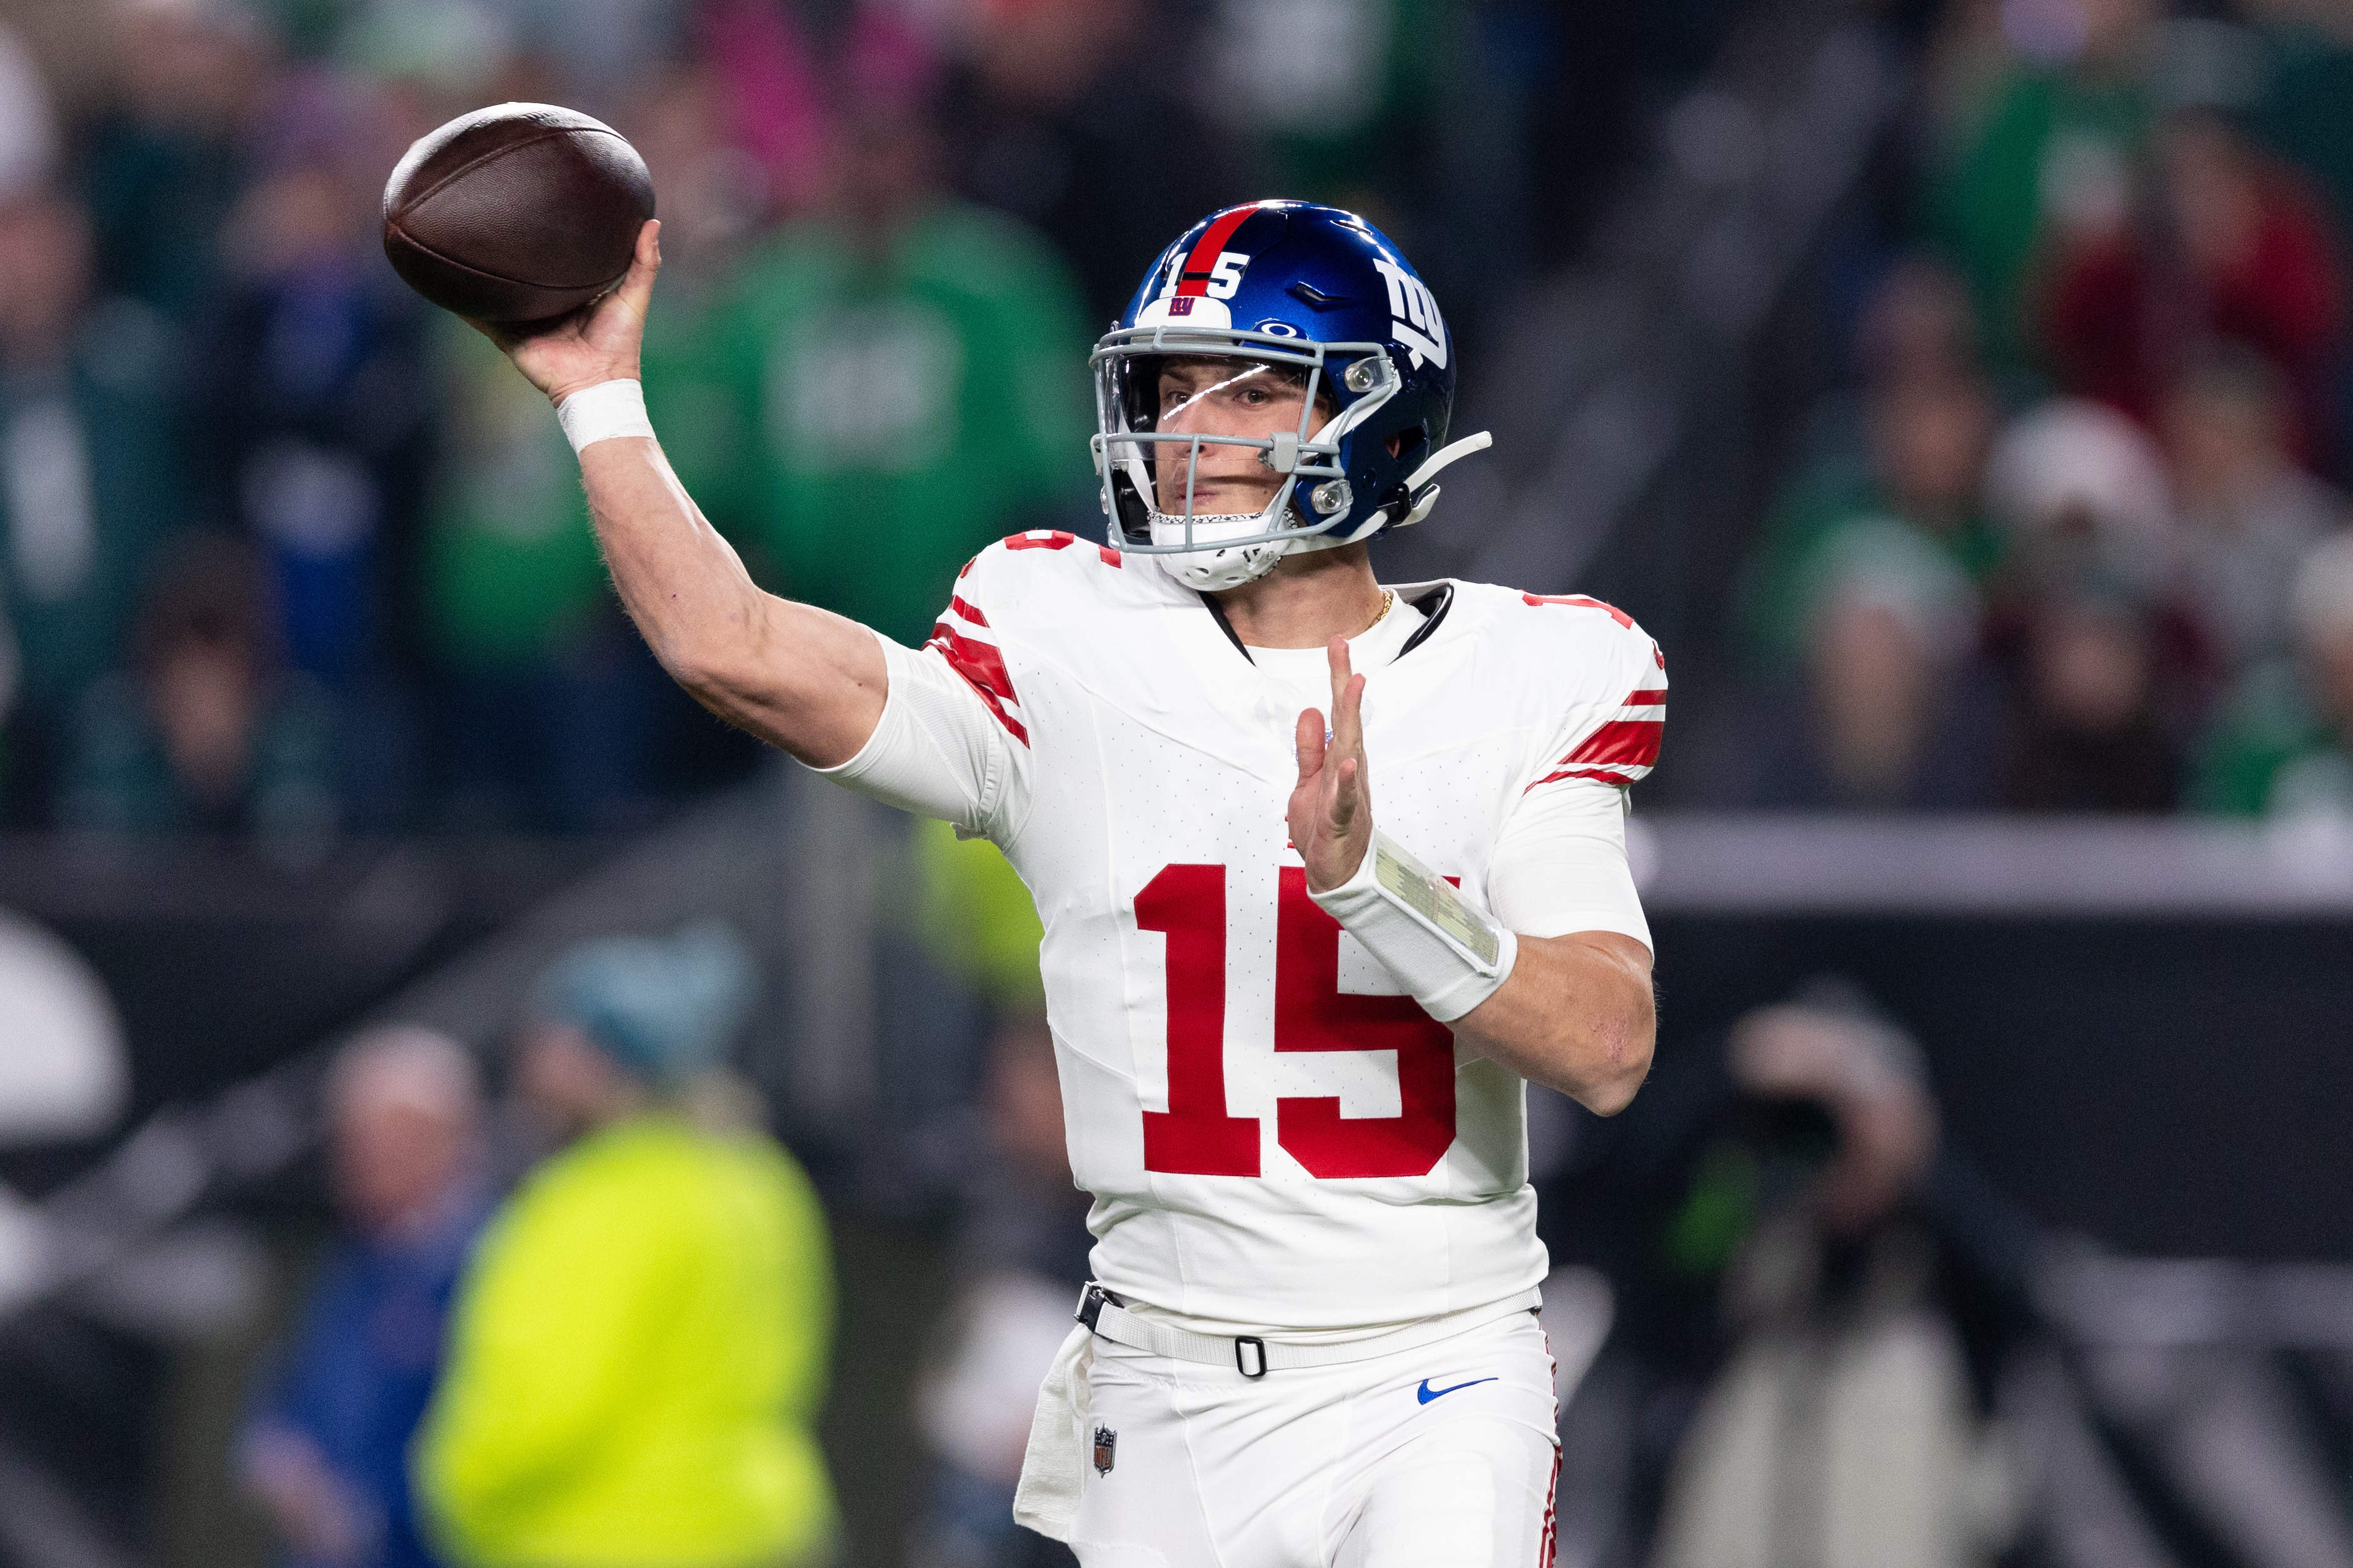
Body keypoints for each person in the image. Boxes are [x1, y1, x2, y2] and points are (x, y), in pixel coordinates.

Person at [479, 198, 1659, 1564]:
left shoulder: (1527, 672)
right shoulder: (1066, 639)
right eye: (1170, 388)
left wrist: (1372, 884)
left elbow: (1606, 1042)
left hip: (1436, 1365)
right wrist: (603, 404)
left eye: (1258, 387)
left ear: (1380, 412)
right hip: (1164, 1377)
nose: (1193, 429)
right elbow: (729, 645)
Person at [414, 924, 836, 1568]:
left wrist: (451, 1486)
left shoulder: (595, 1201)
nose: (527, 1062)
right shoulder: (764, 1181)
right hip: (767, 1529)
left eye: (549, 1038)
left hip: (605, 1538)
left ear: (597, 1058)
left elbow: (539, 1400)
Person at [241, 1026, 489, 1568]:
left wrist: (369, 1512)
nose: (363, 1157)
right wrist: (274, 1449)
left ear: (448, 1136)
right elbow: (290, 1389)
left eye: (388, 1135)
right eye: (351, 1137)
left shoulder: (491, 1267)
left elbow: (501, 1439)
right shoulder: (350, 1264)